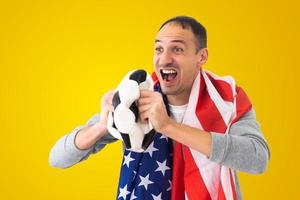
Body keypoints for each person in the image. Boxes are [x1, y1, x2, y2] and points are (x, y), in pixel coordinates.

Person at [49, 16, 270, 200]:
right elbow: (57, 158)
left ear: (201, 57)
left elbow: (258, 158)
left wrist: (167, 126)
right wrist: (101, 126)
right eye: (158, 49)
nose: (164, 60)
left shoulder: (227, 101)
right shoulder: (136, 98)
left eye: (177, 49)